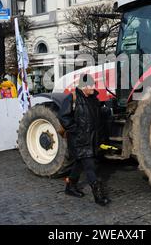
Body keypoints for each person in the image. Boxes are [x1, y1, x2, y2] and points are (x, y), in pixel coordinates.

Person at [59, 74, 111, 206]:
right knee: (90, 167)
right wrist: (77, 130)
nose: (93, 87)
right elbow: (64, 117)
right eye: (90, 85)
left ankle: (70, 186)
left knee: (79, 163)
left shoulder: (94, 99)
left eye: (93, 85)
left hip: (92, 139)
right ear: (83, 87)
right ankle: (98, 196)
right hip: (79, 140)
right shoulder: (72, 98)